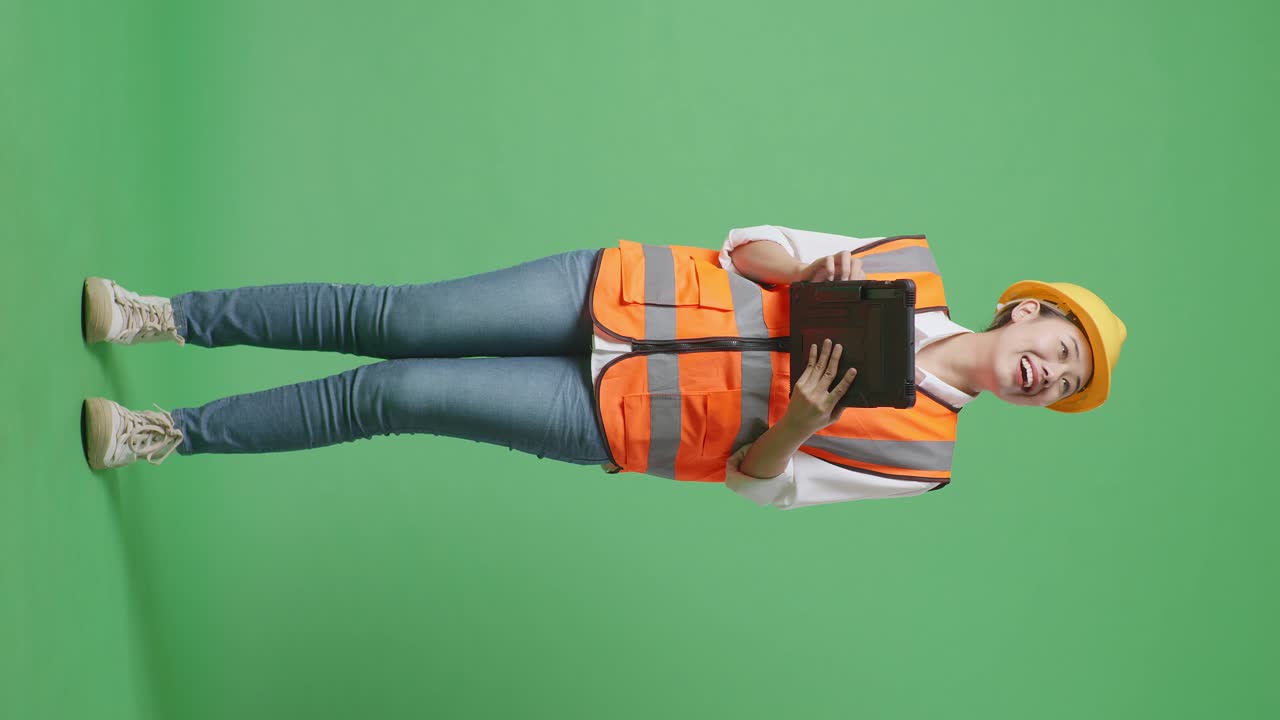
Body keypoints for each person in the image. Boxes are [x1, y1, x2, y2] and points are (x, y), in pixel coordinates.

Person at [80, 225, 1127, 509]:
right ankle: (160, 317)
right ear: (1026, 310)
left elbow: (754, 487)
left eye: (1065, 378)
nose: (1049, 366)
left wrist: (803, 416)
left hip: (609, 418)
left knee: (392, 393)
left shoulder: (921, 460)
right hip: (613, 291)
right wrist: (811, 265)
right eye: (1060, 343)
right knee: (388, 316)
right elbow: (743, 245)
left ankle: (164, 433)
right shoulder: (906, 264)